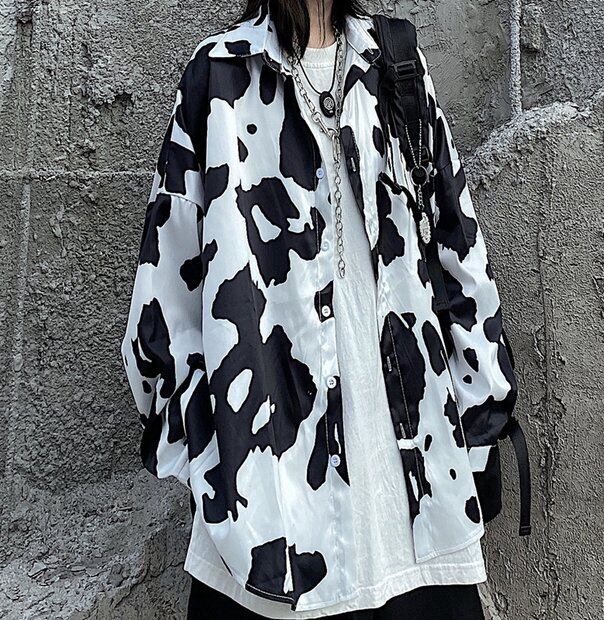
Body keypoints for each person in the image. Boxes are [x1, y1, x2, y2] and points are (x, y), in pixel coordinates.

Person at [120, 0, 523, 618]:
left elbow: (459, 247)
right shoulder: (220, 76)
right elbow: (166, 292)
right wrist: (213, 463)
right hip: (269, 513)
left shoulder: (395, 61)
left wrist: (480, 414)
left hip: (414, 492)